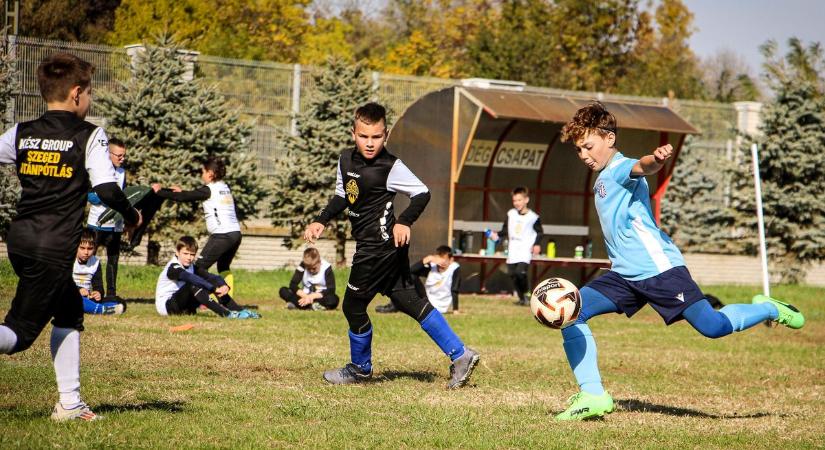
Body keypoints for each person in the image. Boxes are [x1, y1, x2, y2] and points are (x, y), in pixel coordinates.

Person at [554, 101, 805, 421]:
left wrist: (655, 160)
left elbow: (642, 166)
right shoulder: (601, 176)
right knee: (572, 312)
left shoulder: (619, 167)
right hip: (624, 275)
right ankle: (593, 395)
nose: (584, 154)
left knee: (713, 326)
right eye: (579, 150)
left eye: (588, 146)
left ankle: (771, 308)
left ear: (609, 139)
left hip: (660, 271)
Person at [0, 52, 142, 421]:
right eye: (90, 91)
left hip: (20, 240)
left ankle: (69, 403)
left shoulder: (21, 132)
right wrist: (132, 214)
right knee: (17, 336)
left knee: (69, 310)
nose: (90, 98)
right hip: (52, 247)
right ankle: (69, 402)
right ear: (77, 93)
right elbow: (108, 189)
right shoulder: (89, 135)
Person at [303, 102, 479, 389]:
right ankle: (461, 355)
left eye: (376, 137)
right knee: (408, 301)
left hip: (378, 248)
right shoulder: (345, 161)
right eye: (364, 136)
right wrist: (321, 220)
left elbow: (422, 193)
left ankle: (360, 369)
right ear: (353, 133)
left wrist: (405, 221)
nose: (370, 143)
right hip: (381, 249)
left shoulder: (391, 166)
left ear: (385, 135)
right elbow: (342, 195)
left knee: (353, 305)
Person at [151, 157, 241, 294]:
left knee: (199, 268)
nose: (201, 175)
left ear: (210, 173)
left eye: (203, 172)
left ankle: (205, 299)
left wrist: (159, 192)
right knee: (223, 266)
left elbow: (185, 197)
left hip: (222, 235)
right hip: (235, 234)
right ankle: (227, 300)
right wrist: (181, 192)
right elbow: (191, 195)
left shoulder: (209, 189)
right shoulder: (224, 187)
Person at [155, 236, 259, 319]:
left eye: (192, 254)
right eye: (185, 253)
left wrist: (223, 285)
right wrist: (213, 289)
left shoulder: (191, 266)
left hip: (183, 306)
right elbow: (191, 278)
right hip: (168, 307)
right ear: (177, 253)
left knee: (212, 282)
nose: (189, 257)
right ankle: (227, 314)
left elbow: (212, 277)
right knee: (194, 284)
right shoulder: (173, 267)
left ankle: (239, 311)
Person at [86, 137, 128, 302]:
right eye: (119, 155)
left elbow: (125, 196)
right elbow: (91, 196)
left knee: (113, 260)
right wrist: (110, 198)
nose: (122, 158)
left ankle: (110, 294)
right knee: (90, 258)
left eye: (124, 155)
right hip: (97, 223)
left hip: (115, 226)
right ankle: (91, 291)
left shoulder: (122, 172)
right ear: (108, 154)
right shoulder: (97, 170)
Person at [489, 186, 543, 306]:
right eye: (514, 200)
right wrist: (496, 234)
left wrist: (537, 244)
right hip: (513, 249)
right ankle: (521, 298)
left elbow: (540, 232)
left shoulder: (533, 217)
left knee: (520, 273)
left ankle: (527, 294)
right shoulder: (511, 214)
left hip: (525, 250)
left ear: (526, 200)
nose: (517, 203)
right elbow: (504, 230)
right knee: (512, 274)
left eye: (519, 200)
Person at [377, 245, 461, 314]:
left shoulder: (454, 268)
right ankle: (395, 305)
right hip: (427, 299)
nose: (441, 262)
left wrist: (455, 310)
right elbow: (411, 272)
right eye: (439, 258)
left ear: (451, 260)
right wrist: (427, 259)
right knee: (411, 277)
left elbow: (454, 289)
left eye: (444, 259)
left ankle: (396, 306)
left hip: (441, 306)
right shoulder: (433, 267)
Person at [73, 230, 126, 315]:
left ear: (94, 247)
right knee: (72, 297)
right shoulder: (68, 259)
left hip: (88, 297)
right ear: (76, 246)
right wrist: (78, 290)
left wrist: (98, 293)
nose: (86, 252)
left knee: (117, 300)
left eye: (90, 249)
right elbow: (62, 282)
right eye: (82, 248)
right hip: (70, 295)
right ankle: (103, 310)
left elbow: (98, 286)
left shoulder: (95, 262)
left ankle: (97, 307)